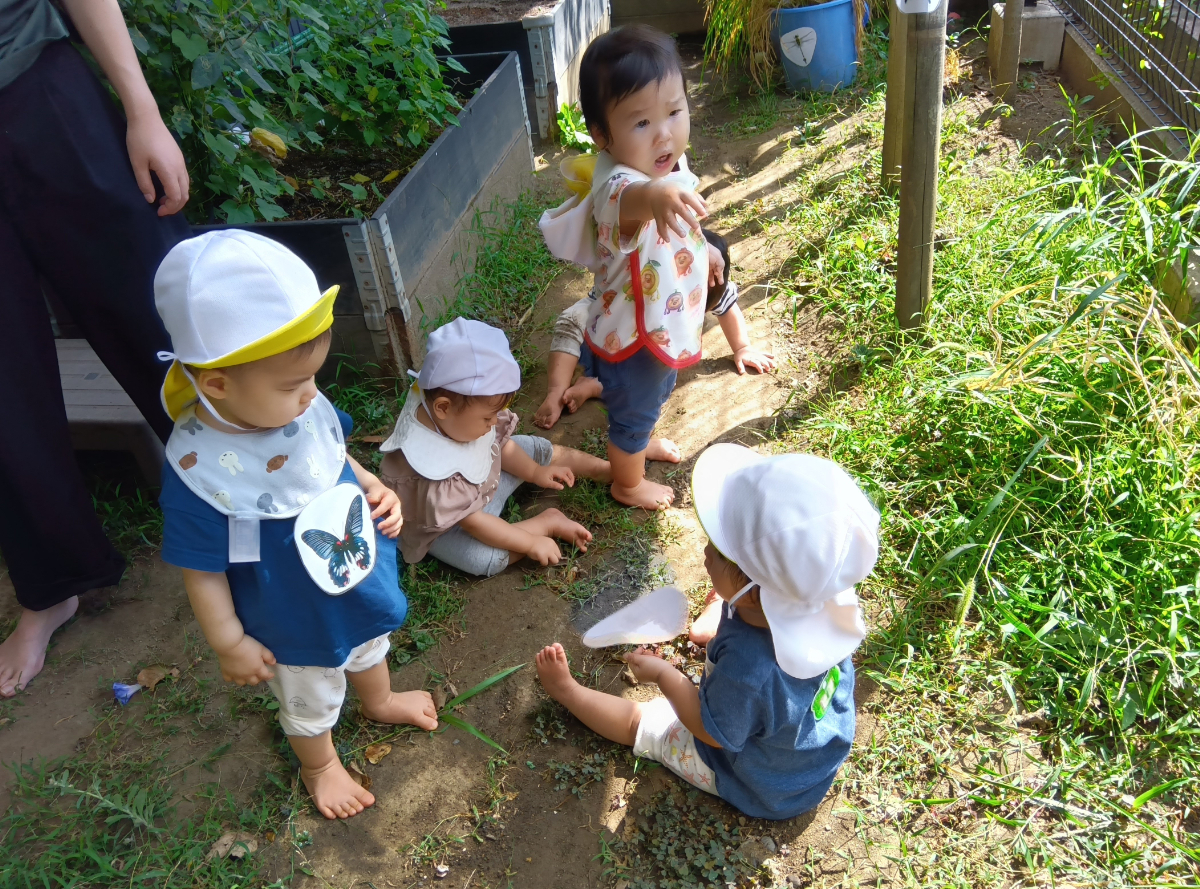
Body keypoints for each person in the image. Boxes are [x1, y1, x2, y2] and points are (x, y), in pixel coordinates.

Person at [155, 231, 437, 820]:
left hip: (348, 568)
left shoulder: (296, 404)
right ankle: (321, 765)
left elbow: (330, 453)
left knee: (367, 643)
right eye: (292, 385)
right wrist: (229, 642)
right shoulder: (200, 470)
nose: (312, 396)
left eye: (312, 377)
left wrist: (371, 484)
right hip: (291, 612)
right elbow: (201, 571)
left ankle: (379, 698)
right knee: (309, 691)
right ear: (216, 385)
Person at [0, 0, 192, 697]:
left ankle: (267, 483)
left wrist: (141, 109)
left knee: (156, 302)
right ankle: (53, 581)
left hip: (39, 92)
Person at [535, 443, 880, 820]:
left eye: (718, 549)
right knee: (724, 643)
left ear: (754, 593)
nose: (705, 550)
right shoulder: (824, 592)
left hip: (765, 783)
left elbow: (710, 732)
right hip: (807, 752)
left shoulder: (749, 670)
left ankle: (567, 692)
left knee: (645, 723)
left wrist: (664, 675)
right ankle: (714, 621)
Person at [538, 26, 719, 511]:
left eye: (675, 112)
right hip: (634, 336)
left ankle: (635, 442)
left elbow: (681, 233)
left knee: (652, 395)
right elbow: (634, 201)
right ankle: (628, 481)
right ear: (602, 135)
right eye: (641, 123)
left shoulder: (659, 165)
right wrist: (655, 195)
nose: (664, 133)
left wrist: (709, 254)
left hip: (652, 323)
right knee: (635, 410)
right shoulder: (620, 185)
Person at [378, 318, 610, 578]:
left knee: (528, 447)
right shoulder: (434, 466)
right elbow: (475, 523)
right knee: (483, 559)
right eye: (487, 419)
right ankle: (546, 522)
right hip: (447, 522)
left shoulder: (456, 410)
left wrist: (534, 472)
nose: (492, 425)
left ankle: (606, 470)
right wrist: (531, 542)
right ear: (442, 407)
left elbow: (499, 446)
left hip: (478, 486)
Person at [534, 230, 775, 429]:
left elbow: (728, 308)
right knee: (571, 318)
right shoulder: (646, 280)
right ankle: (556, 392)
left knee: (654, 375)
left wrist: (742, 347)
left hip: (639, 347)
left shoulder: (714, 286)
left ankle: (596, 386)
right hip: (608, 317)